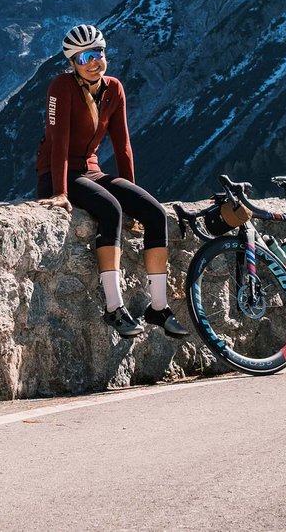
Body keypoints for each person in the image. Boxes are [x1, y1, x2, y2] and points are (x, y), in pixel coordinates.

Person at [36, 23, 189, 339]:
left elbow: (123, 146)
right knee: (110, 209)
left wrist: (132, 191)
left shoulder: (114, 88)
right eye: (84, 58)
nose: (93, 62)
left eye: (98, 53)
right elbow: (58, 141)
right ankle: (114, 307)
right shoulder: (61, 87)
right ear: (72, 63)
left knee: (154, 213)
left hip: (91, 170)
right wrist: (61, 191)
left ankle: (159, 307)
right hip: (57, 173)